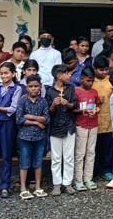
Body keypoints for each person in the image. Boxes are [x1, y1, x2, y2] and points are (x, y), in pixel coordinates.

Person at [0, 61, 21, 199]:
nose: (3, 76)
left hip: (7, 123)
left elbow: (13, 109)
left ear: (13, 74)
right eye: (1, 73)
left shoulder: (17, 88)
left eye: (6, 73)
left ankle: (5, 186)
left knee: (7, 155)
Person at [16, 74, 49, 199]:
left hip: (39, 137)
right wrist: (36, 122)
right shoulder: (22, 101)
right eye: (31, 86)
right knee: (24, 162)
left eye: (36, 86)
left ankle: (38, 187)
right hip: (25, 136)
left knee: (38, 162)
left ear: (40, 87)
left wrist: (31, 117)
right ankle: (23, 188)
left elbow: (46, 118)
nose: (33, 88)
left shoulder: (43, 101)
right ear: (26, 88)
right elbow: (19, 119)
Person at [47, 64, 77, 194]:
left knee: (69, 156)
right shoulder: (50, 91)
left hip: (69, 125)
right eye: (67, 73)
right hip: (56, 126)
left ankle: (67, 183)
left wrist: (67, 104)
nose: (69, 75)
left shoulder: (70, 88)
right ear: (59, 76)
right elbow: (49, 111)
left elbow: (74, 105)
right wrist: (54, 104)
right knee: (56, 157)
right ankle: (57, 184)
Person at [92, 55, 113, 181]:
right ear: (95, 69)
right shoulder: (91, 82)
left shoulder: (111, 81)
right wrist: (95, 101)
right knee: (94, 149)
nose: (104, 72)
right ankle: (93, 171)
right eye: (101, 70)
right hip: (93, 120)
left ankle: (107, 170)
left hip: (109, 120)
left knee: (108, 148)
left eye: (106, 69)